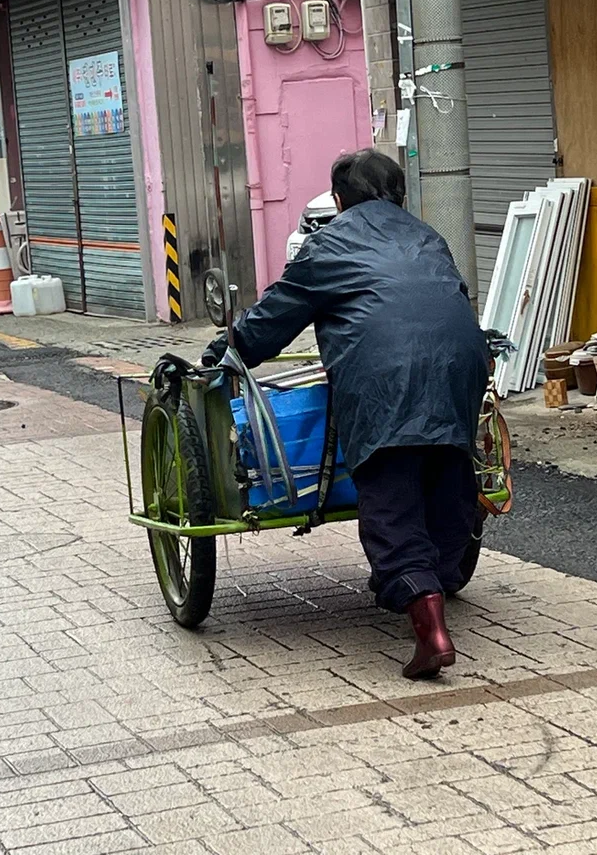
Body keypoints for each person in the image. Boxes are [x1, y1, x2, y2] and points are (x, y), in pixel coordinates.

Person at [203, 149, 490, 680]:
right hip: (462, 363)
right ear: (402, 196)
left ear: (338, 200)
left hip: (384, 378)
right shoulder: (430, 238)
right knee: (449, 470)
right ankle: (442, 576)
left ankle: (429, 625)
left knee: (391, 495)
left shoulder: (327, 244)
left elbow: (274, 318)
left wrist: (226, 350)